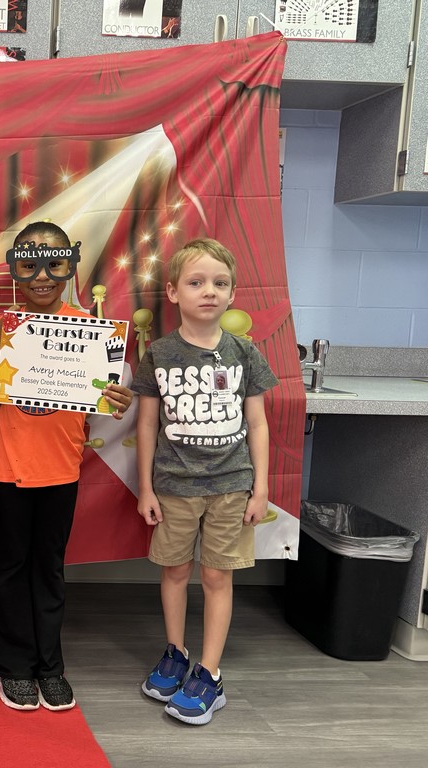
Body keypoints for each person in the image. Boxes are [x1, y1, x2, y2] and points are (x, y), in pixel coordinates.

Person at [0, 221, 134, 712]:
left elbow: (108, 400)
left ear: (71, 265)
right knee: (10, 569)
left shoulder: (93, 330)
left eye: (54, 264)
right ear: (15, 269)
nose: (43, 276)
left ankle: (50, 665)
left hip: (61, 471)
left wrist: (116, 397)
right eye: (30, 265)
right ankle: (11, 667)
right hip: (8, 469)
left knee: (49, 569)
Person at [133, 237, 278, 725]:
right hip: (173, 486)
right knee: (174, 571)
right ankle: (175, 652)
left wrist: (260, 488)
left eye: (220, 283)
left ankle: (209, 674)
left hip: (231, 486)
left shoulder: (244, 352)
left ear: (233, 294)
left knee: (217, 575)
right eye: (196, 282)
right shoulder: (158, 353)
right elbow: (146, 423)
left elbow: (257, 423)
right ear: (173, 292)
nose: (209, 291)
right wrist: (146, 488)